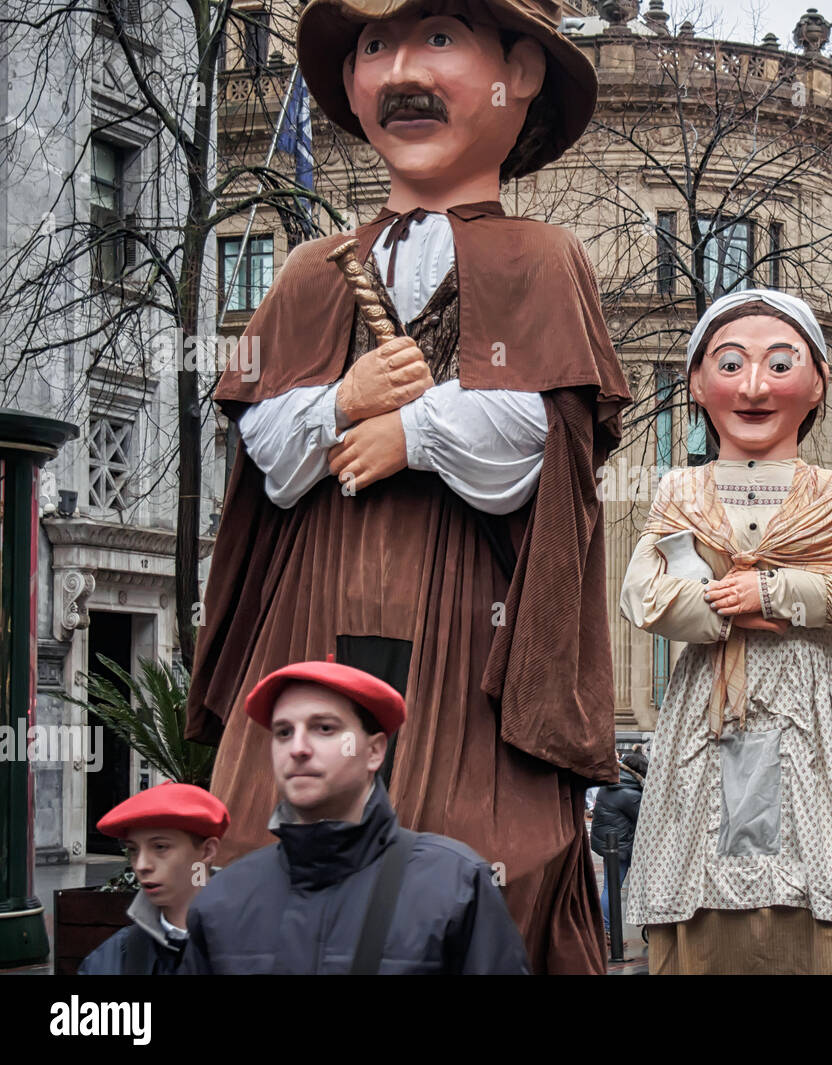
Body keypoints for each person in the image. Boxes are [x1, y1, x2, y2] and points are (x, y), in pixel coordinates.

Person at [183, 0, 630, 975]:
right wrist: (341, 400)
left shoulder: (541, 260)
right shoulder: (310, 271)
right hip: (316, 603)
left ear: (518, 71)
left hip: (469, 628)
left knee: (486, 855)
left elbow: (543, 444)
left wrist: (412, 429)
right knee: (268, 851)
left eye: (435, 40)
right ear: (348, 88)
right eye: (374, 49)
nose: (397, 72)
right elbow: (264, 448)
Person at [620, 290, 832, 975]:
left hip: (811, 704)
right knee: (705, 863)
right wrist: (727, 606)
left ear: (817, 383)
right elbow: (645, 591)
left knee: (827, 865)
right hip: (710, 706)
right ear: (697, 381)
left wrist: (772, 590)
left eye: (780, 364)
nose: (754, 386)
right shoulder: (680, 491)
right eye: (730, 363)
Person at [178, 658, 530, 974]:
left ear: (374, 751)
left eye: (324, 728)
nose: (298, 748)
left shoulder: (456, 886)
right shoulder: (221, 902)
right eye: (284, 732)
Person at [79, 783, 229, 975]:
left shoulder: (258, 944)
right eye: (133, 849)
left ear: (207, 851)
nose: (141, 865)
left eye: (160, 847)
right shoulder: (112, 958)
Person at [590, 751, 647, 935]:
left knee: (610, 886)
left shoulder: (614, 783)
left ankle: (604, 930)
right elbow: (645, 818)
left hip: (611, 842)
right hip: (620, 846)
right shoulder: (629, 793)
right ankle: (606, 930)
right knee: (612, 888)